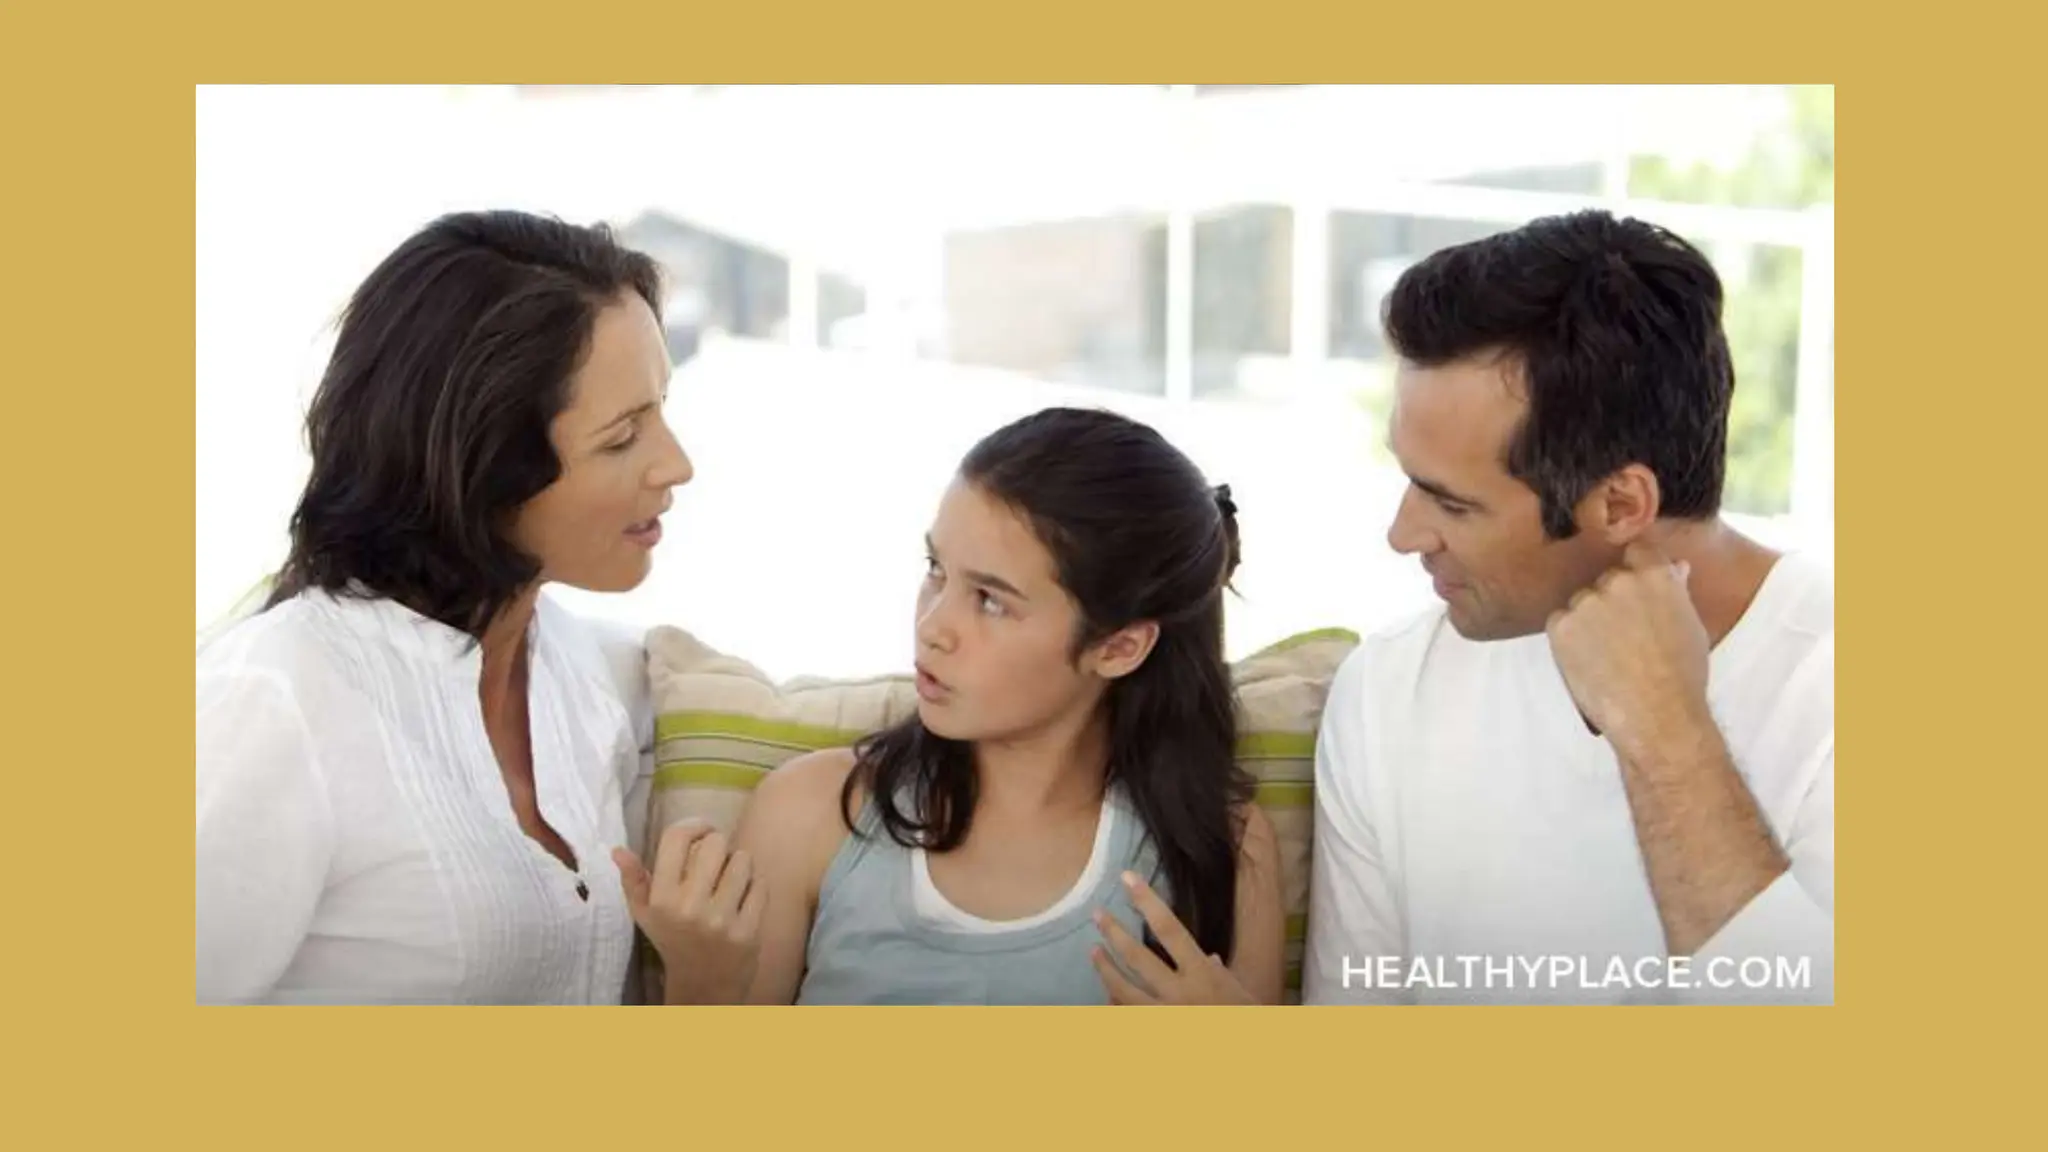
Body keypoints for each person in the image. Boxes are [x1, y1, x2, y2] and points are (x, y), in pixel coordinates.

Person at [195, 210, 747, 1004]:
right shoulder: (273, 706)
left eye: (661, 408)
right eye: (622, 436)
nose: (677, 464)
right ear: (483, 464)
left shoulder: (591, 678)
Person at [1303, 210, 1834, 1005]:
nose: (1403, 535)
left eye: (1452, 503)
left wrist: (1669, 737)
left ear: (1620, 504)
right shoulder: (1388, 690)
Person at [614, 407, 1286, 1004]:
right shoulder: (811, 813)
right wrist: (702, 982)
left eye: (990, 600)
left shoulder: (1221, 843)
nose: (932, 624)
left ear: (1118, 647)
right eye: (936, 569)